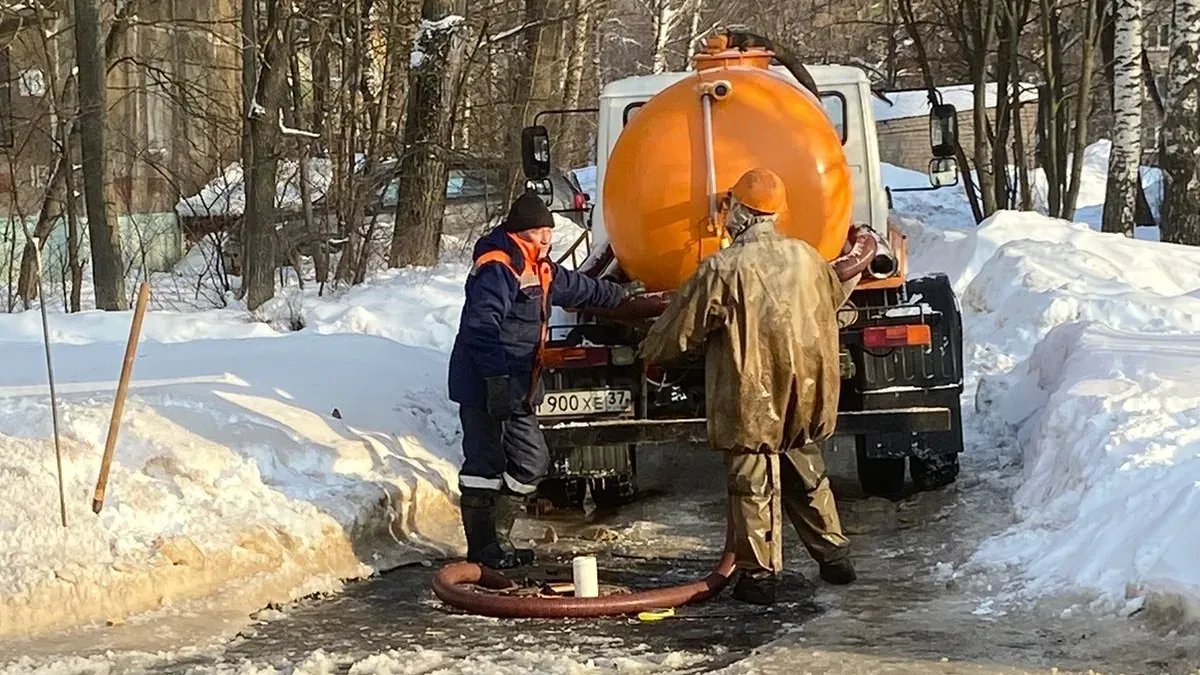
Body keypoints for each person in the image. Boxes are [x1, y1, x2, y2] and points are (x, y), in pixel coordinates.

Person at [639, 168, 858, 606]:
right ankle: (835, 559)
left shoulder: (724, 267)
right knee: (807, 473)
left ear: (738, 211)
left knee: (751, 484)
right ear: (777, 212)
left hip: (750, 391)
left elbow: (680, 328)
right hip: (806, 388)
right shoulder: (809, 257)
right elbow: (834, 300)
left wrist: (652, 349)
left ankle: (760, 578)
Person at [448, 190, 630, 570]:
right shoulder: (498, 266)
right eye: (538, 232)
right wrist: (495, 378)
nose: (546, 239)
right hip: (484, 381)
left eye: (548, 232)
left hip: (518, 386)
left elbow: (582, 288)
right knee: (483, 463)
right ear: (519, 233)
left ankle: (497, 537)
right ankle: (484, 549)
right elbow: (482, 326)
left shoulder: (541, 267)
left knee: (531, 461)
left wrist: (623, 297)